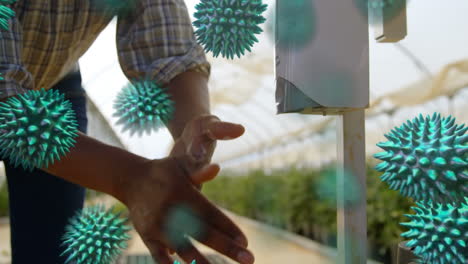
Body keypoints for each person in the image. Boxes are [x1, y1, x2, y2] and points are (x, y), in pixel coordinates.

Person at [0, 1, 254, 264]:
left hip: (54, 80)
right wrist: (131, 178)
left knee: (53, 249)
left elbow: (167, 46)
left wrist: (194, 125)